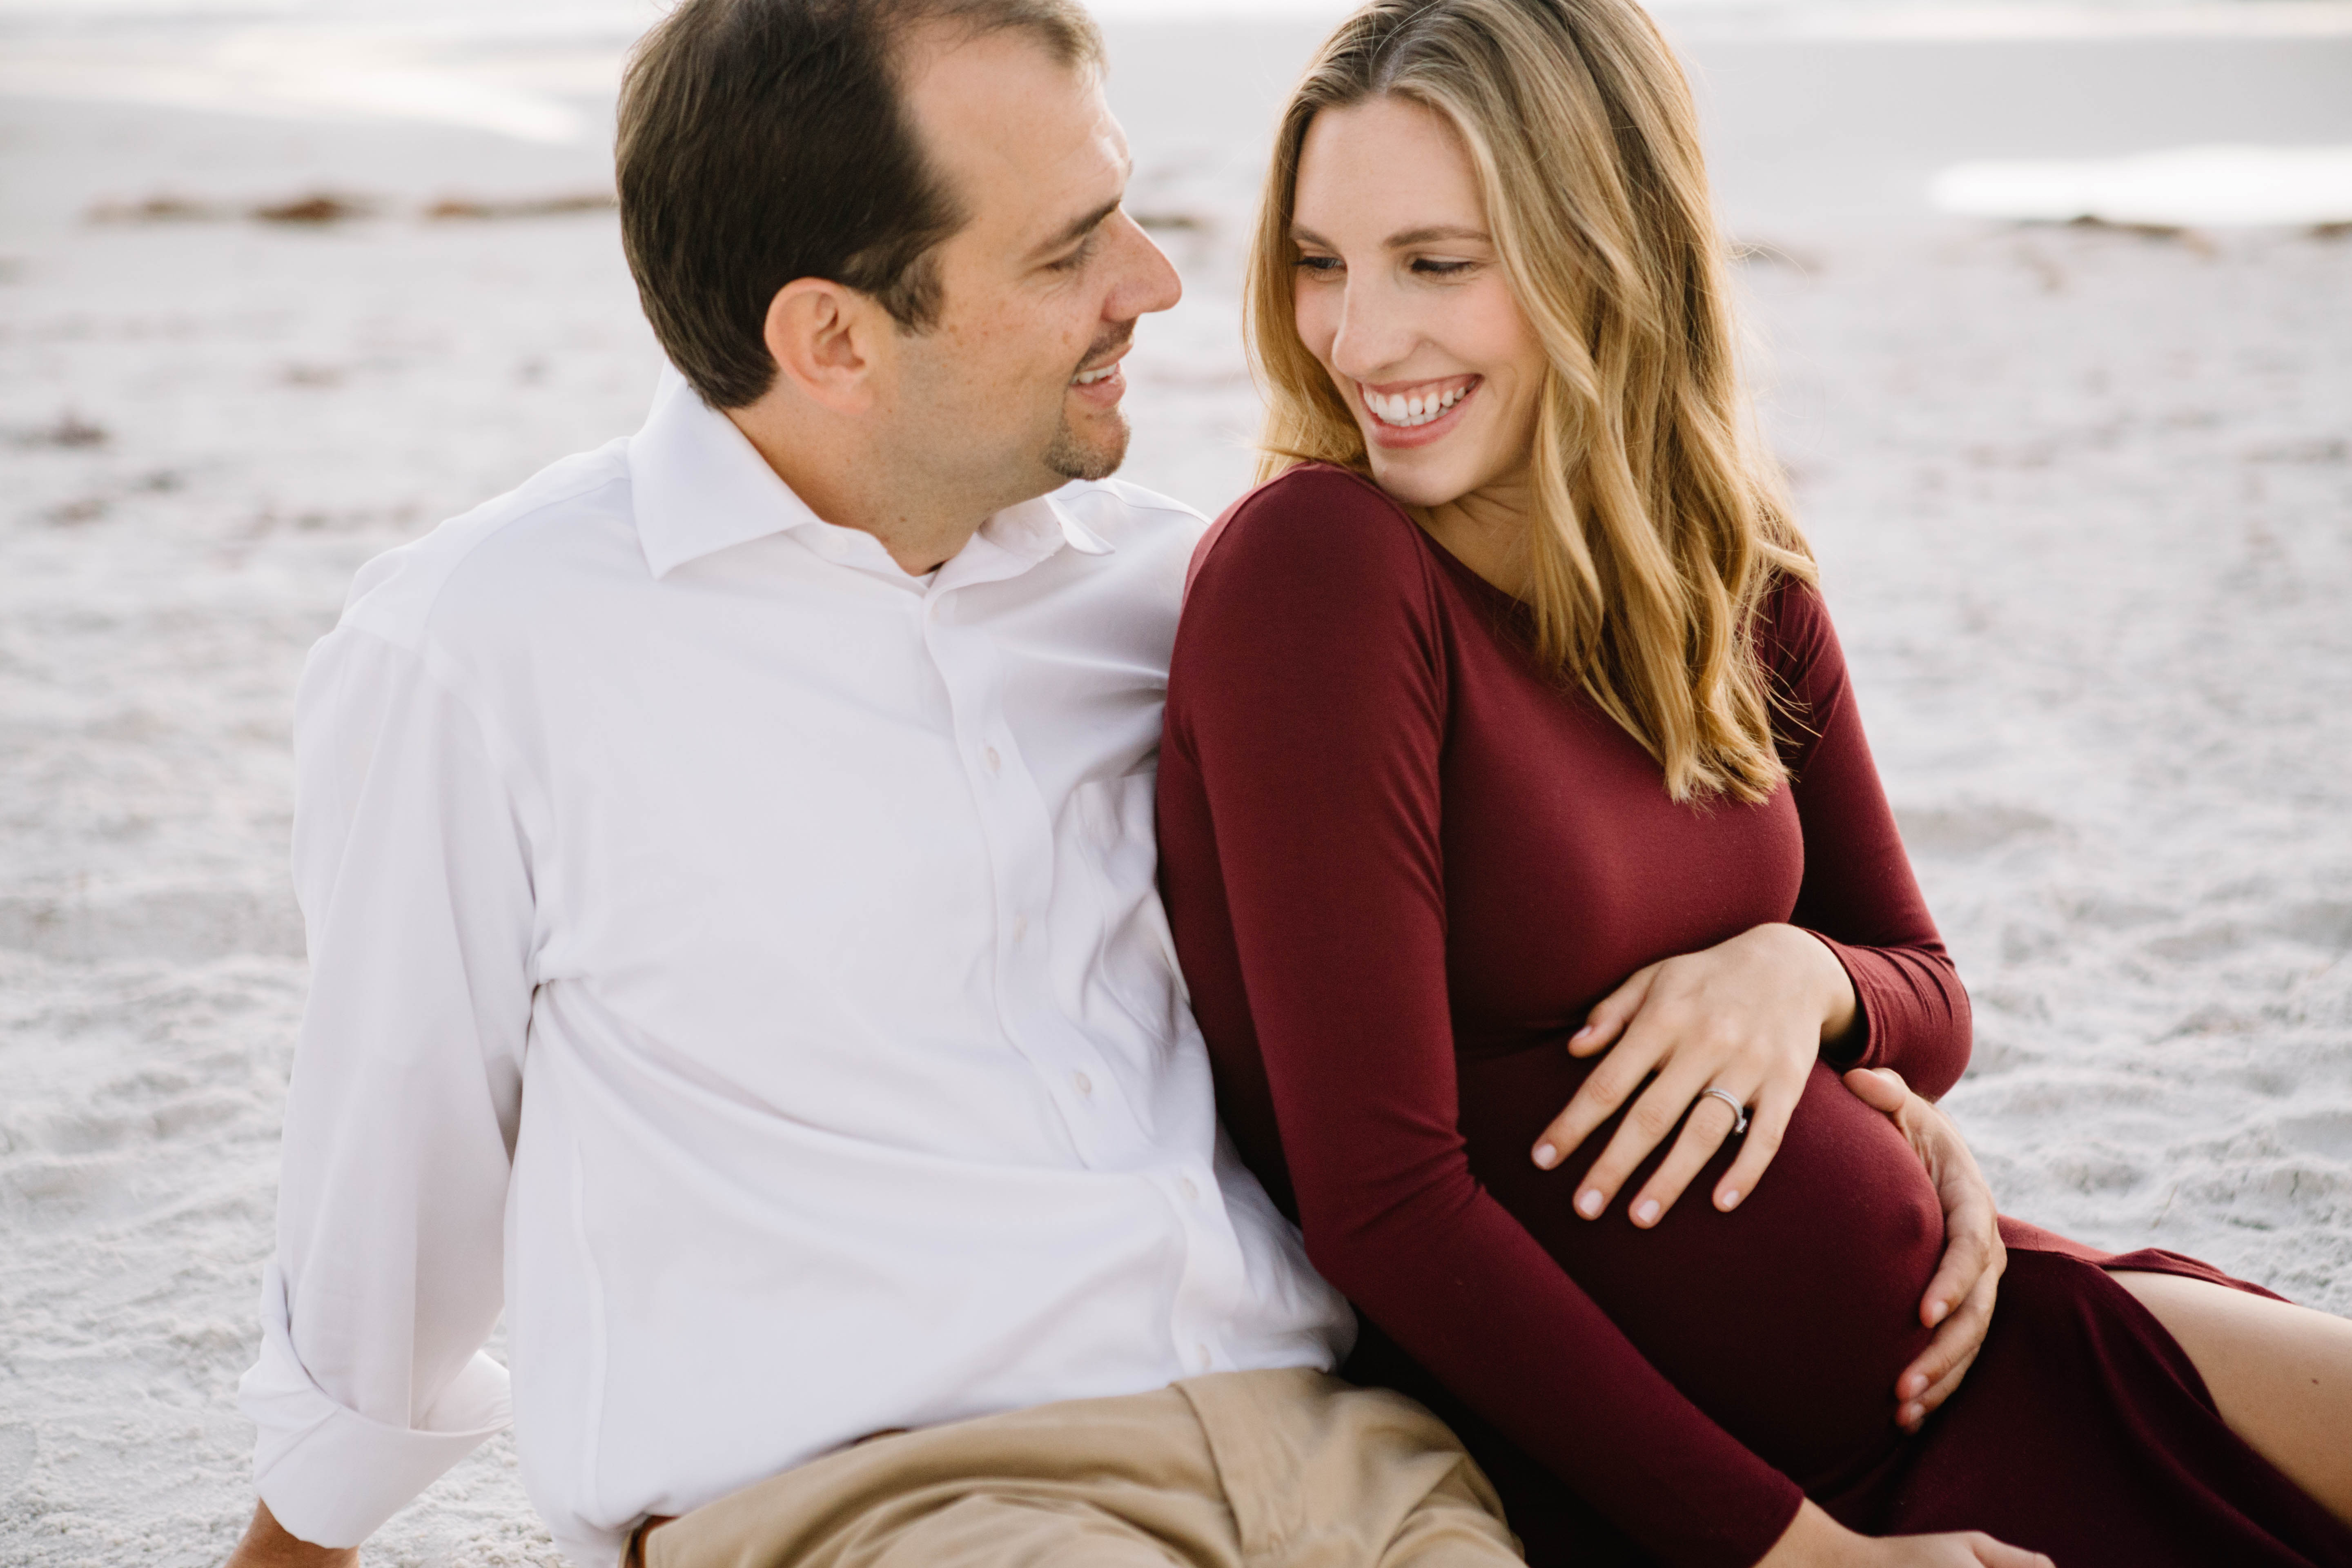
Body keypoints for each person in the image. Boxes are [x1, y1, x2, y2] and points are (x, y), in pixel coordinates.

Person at [219, 2, 2002, 1566]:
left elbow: (1533, 963)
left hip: (1351, 1468)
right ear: (836, 339)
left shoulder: (1189, 596)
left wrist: (1882, 1092)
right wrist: (299, 1545)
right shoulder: (488, 644)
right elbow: (404, 1144)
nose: (1159, 282)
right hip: (899, 1501)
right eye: (1073, 246)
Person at [1155, 2, 2352, 1567]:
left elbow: (1929, 994)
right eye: (1321, 263)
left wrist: (1800, 978)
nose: (1361, 340)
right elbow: (1379, 1204)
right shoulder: (1323, 575)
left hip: (2007, 1336)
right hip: (1729, 1499)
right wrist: (1802, 1558)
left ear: (1608, 248)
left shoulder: (1732, 574)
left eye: (1436, 264)